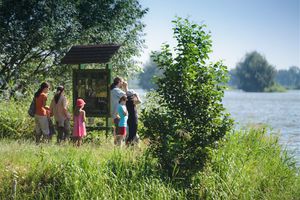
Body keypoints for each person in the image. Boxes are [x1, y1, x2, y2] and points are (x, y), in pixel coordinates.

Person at [110, 77, 128, 142]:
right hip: (118, 115)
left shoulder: (114, 90)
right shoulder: (116, 90)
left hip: (116, 114)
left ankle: (117, 147)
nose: (123, 83)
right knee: (119, 134)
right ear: (119, 81)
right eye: (122, 82)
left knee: (118, 132)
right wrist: (125, 87)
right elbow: (127, 96)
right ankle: (117, 148)